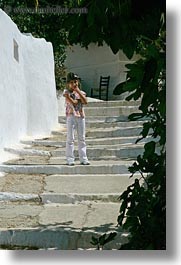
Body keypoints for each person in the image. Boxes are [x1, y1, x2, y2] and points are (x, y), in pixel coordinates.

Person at [63, 72, 90, 166]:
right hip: (71, 116)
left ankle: (84, 158)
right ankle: (70, 158)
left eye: (75, 82)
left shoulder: (81, 93)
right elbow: (74, 102)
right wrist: (70, 96)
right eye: (71, 82)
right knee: (70, 138)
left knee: (82, 138)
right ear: (68, 83)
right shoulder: (66, 93)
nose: (74, 84)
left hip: (81, 116)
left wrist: (78, 91)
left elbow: (85, 101)